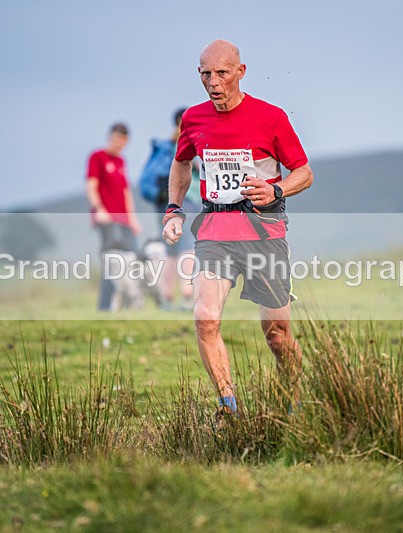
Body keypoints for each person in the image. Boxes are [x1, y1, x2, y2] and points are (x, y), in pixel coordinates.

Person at [162, 39, 314, 417]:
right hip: (215, 232)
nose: (213, 82)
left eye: (222, 73)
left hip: (264, 233)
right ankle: (228, 407)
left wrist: (275, 189)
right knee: (205, 316)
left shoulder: (271, 117)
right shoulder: (193, 119)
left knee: (277, 336)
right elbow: (182, 163)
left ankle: (295, 403)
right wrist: (174, 208)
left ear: (240, 72)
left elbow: (304, 173)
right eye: (205, 74)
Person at [140, 108, 201, 311]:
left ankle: (166, 298)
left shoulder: (163, 147)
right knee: (187, 248)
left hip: (164, 204)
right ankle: (186, 296)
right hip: (187, 201)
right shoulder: (188, 143)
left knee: (169, 249)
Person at [85, 122, 141, 311]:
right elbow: (91, 185)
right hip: (106, 218)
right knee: (113, 261)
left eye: (123, 141)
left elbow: (126, 192)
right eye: (117, 140)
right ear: (110, 137)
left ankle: (128, 304)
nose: (119, 144)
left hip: (124, 219)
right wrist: (99, 208)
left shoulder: (121, 161)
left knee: (132, 258)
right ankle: (105, 306)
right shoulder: (97, 157)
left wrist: (133, 219)